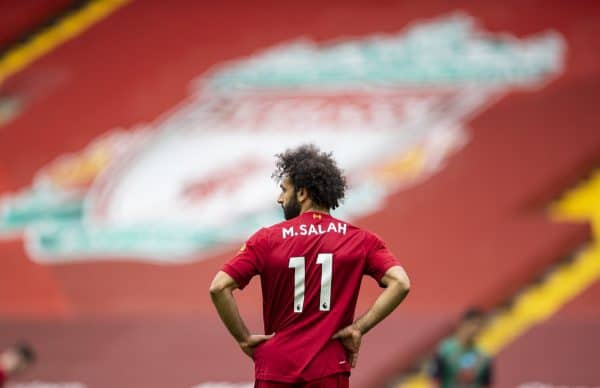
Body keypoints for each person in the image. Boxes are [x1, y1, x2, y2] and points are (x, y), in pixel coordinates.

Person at [210, 144, 410, 387]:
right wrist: (358, 328)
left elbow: (219, 287)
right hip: (328, 366)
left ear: (302, 193)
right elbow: (400, 283)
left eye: (284, 190)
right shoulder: (361, 240)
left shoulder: (267, 239)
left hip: (276, 365)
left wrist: (243, 339)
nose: (280, 198)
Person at [430, 308, 493, 388]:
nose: (476, 329)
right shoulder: (445, 350)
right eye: (474, 324)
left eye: (480, 325)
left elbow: (486, 383)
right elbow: (435, 379)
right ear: (463, 323)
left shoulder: (483, 355)